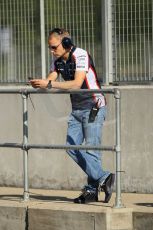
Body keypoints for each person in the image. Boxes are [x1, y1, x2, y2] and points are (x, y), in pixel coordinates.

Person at [30, 28, 115, 204]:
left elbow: (77, 84)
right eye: (50, 48)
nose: (52, 51)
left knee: (91, 150)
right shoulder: (58, 60)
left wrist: (50, 84)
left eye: (54, 47)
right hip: (77, 109)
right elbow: (51, 78)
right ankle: (104, 177)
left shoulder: (81, 55)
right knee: (71, 147)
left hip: (94, 106)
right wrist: (41, 83)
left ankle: (92, 190)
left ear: (66, 44)